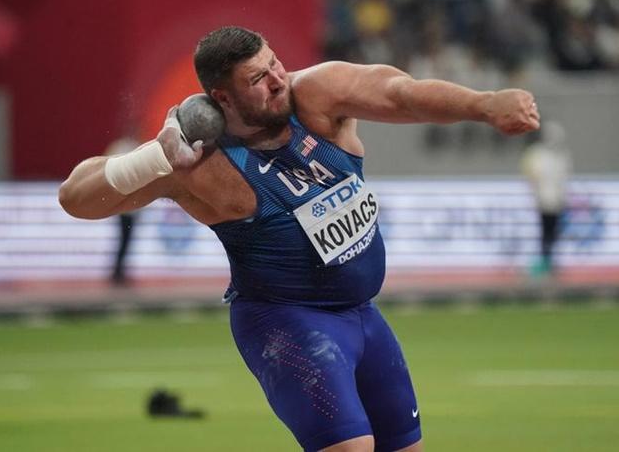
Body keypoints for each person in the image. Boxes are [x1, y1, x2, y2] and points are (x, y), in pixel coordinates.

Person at [59, 26, 540, 452]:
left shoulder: (318, 96)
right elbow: (75, 197)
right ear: (222, 99)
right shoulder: (199, 163)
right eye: (257, 79)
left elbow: (403, 94)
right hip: (284, 322)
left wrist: (484, 104)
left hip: (362, 314)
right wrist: (152, 161)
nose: (277, 80)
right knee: (352, 448)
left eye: (275, 65)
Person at [521, 120, 571, 276]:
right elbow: (532, 175)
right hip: (543, 199)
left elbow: (564, 178)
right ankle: (543, 263)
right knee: (544, 233)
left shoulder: (562, 156)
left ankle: (550, 262)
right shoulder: (537, 154)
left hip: (556, 200)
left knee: (553, 233)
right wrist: (536, 195)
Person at [104, 136, 141, 285]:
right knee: (123, 240)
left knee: (126, 240)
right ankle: (117, 271)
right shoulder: (121, 148)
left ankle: (119, 270)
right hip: (124, 205)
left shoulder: (137, 146)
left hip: (132, 205)